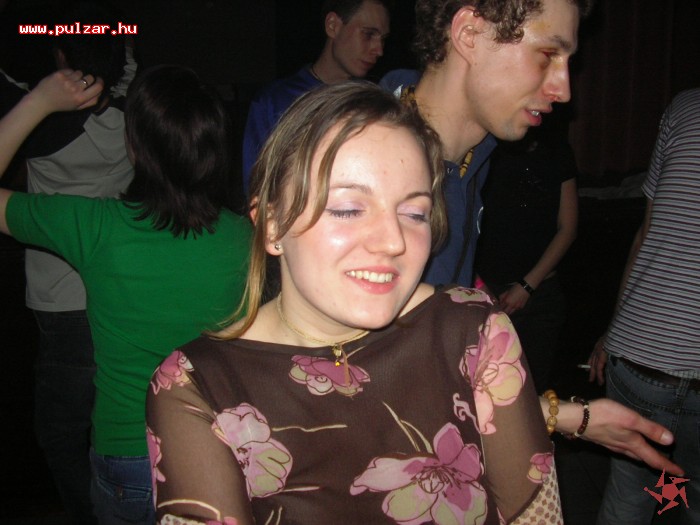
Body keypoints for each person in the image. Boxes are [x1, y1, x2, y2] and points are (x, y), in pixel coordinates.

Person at [146, 82, 680, 525]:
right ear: (271, 225)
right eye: (349, 208)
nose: (393, 242)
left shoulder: (474, 329)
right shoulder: (195, 389)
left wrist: (554, 413)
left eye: (415, 212)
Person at [0, 66, 252, 524]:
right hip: (218, 448)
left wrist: (38, 102)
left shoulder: (95, 228)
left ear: (135, 148)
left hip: (127, 452)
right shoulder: (246, 238)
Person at [0, 4, 133, 522]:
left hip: (62, 300)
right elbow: (124, 57)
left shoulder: (40, 125)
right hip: (117, 286)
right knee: (113, 417)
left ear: (60, 59)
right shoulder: (134, 113)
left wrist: (40, 95)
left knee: (60, 432)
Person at [380, 0, 587, 288]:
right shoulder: (357, 159)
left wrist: (475, 296)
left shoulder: (476, 156)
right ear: (470, 34)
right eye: (547, 54)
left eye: (567, 62)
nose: (563, 91)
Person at [588, 89, 700, 524]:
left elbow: (646, 234)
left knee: (630, 496)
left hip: (638, 357)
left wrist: (612, 330)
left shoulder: (685, 106)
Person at [241, 0, 391, 195]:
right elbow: (257, 189)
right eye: (368, 34)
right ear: (333, 26)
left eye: (383, 39)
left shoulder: (374, 104)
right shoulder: (275, 101)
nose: (379, 50)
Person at [475, 121, 578, 393]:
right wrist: (480, 286)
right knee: (485, 391)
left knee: (532, 392)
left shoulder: (556, 150)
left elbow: (568, 228)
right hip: (486, 291)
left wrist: (526, 286)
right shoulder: (485, 147)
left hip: (539, 294)